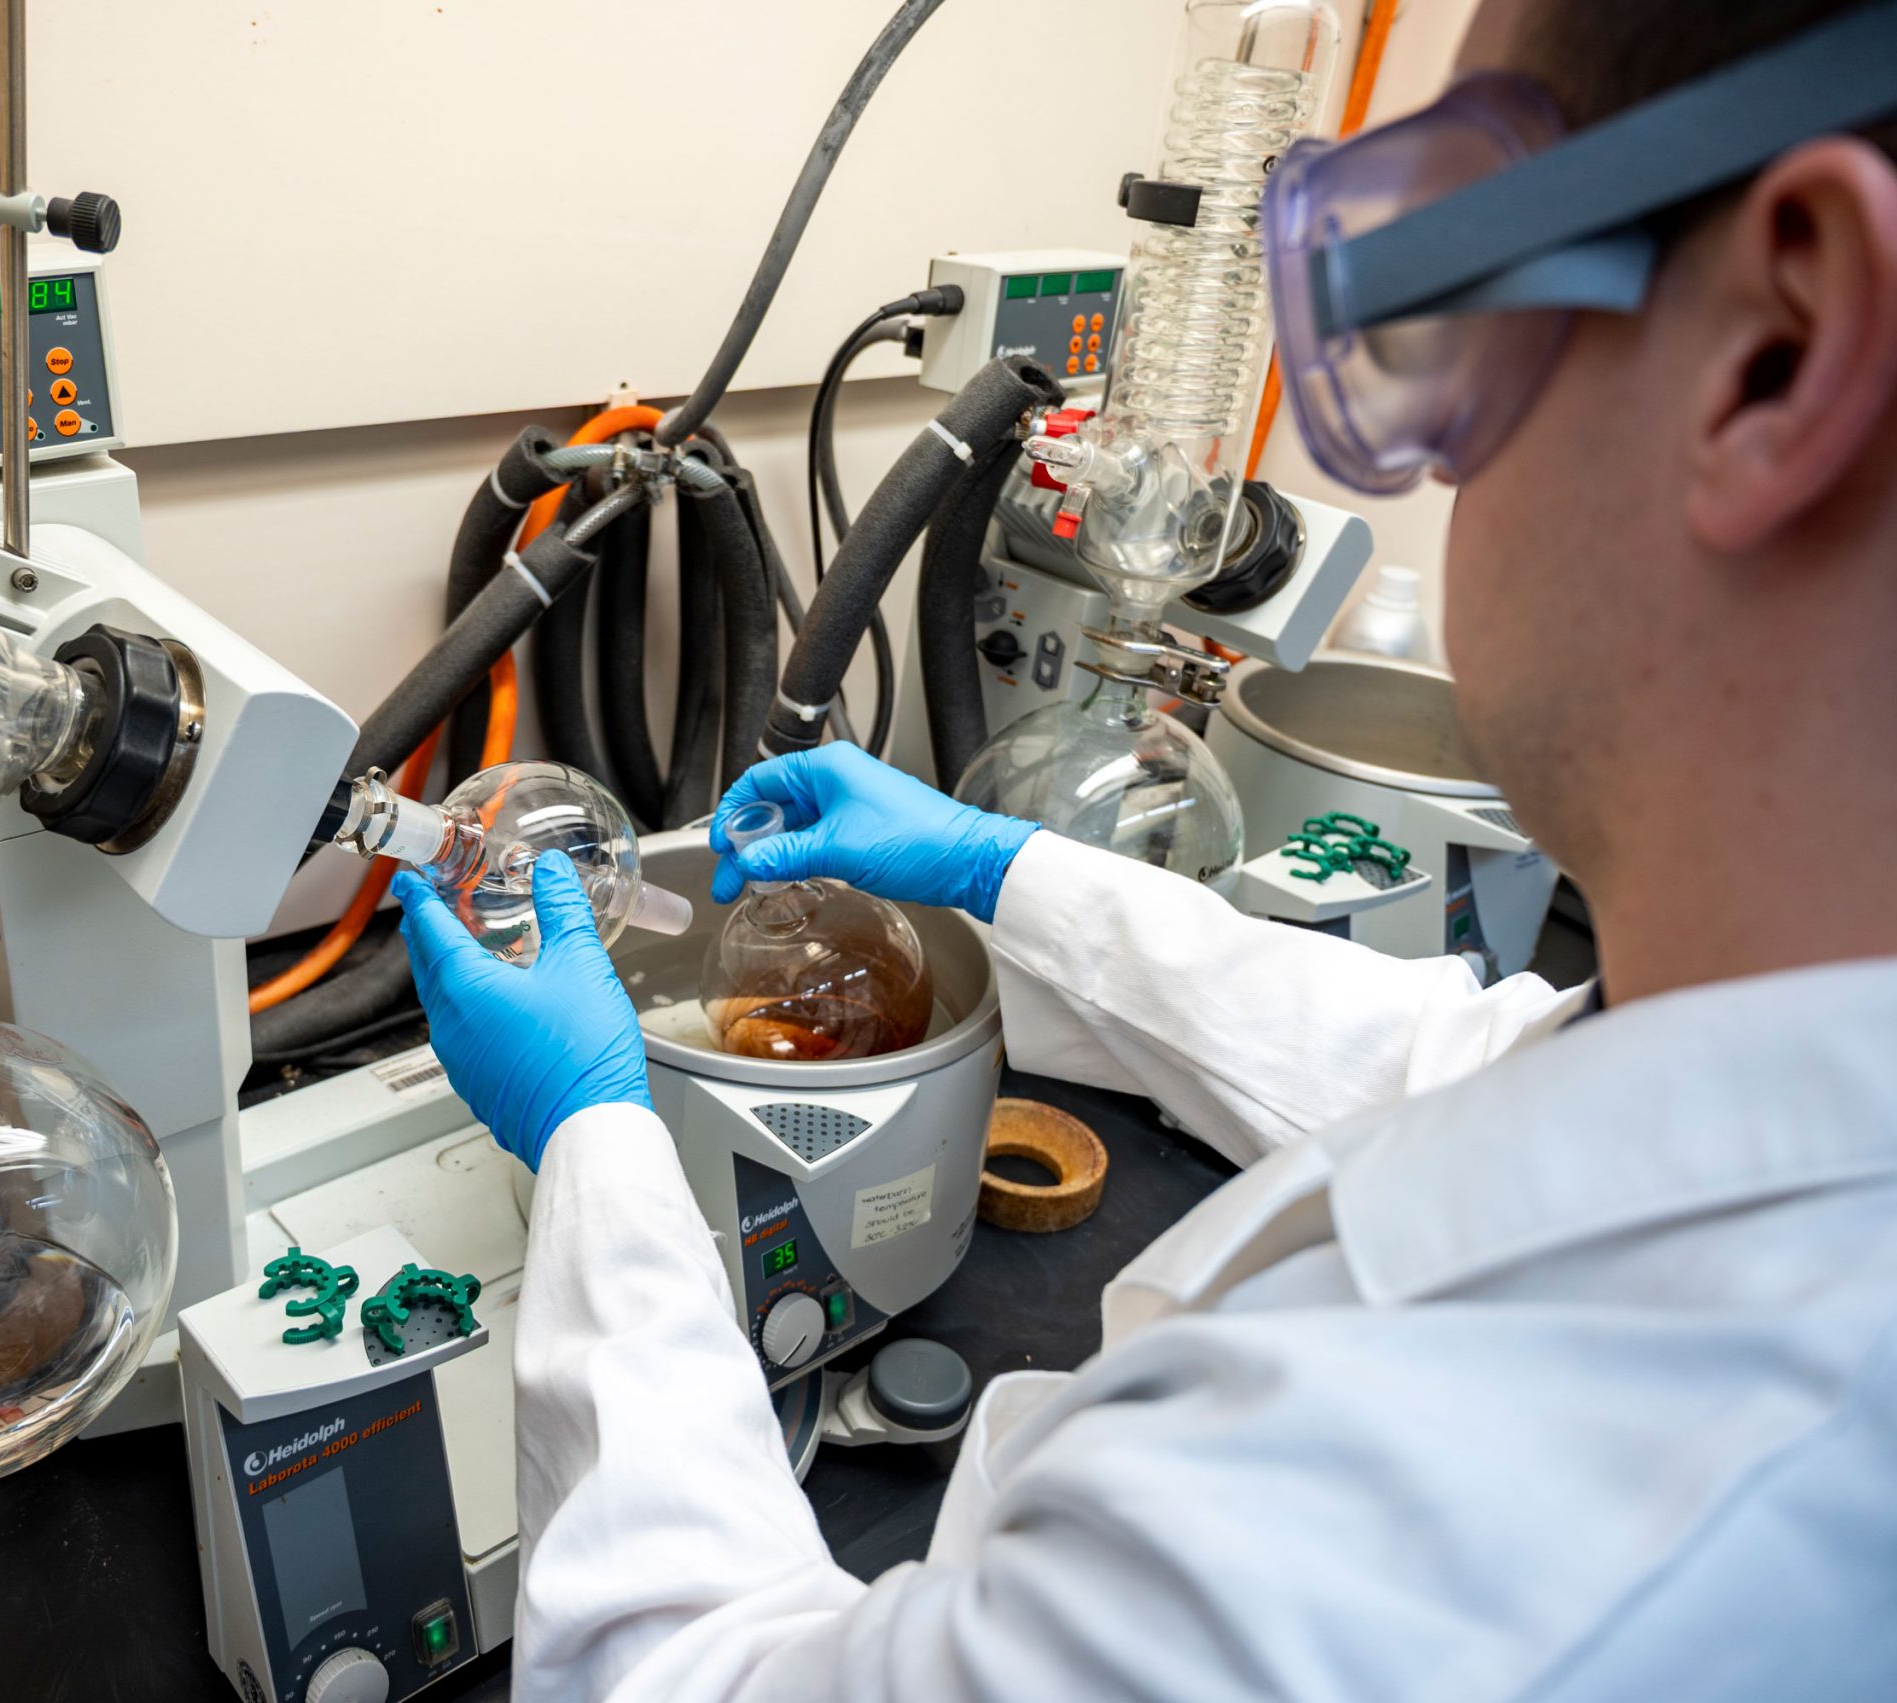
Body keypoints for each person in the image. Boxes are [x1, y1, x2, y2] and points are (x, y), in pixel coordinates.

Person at [391, 1, 1897, 1695]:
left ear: (1782, 344)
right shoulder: (1781, 1069)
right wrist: (993, 869)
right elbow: (1443, 1068)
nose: (1450, 450)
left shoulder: (1382, 1534)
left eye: (1464, 292)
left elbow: (684, 1677)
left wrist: (595, 1148)